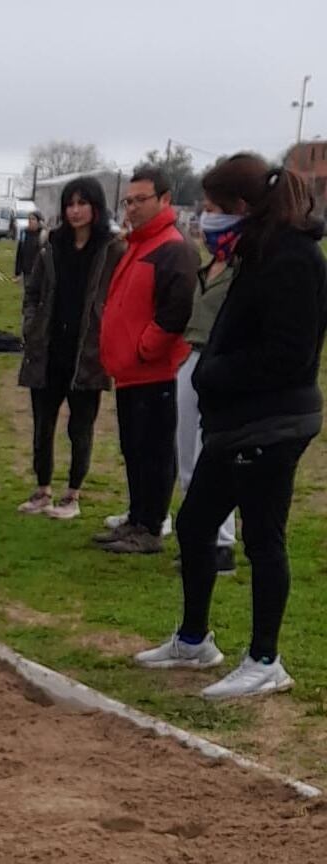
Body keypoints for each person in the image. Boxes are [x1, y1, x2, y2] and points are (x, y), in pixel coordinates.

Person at [134, 155, 327, 700]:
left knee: (264, 538)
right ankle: (194, 640)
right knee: (195, 525)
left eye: (214, 208)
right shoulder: (255, 250)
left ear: (243, 207)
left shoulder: (294, 260)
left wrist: (214, 373)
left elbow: (287, 354)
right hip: (238, 420)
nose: (206, 218)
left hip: (274, 420)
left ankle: (266, 659)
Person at [94, 167, 198, 555]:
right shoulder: (137, 244)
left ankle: (151, 525)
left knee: (154, 451)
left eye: (141, 200)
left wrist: (144, 348)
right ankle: (137, 517)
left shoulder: (173, 247)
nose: (133, 208)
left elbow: (177, 309)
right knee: (134, 448)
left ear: (165, 200)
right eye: (129, 200)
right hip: (130, 372)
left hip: (155, 372)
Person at [17, 179, 124, 521]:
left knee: (81, 426)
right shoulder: (52, 246)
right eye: (69, 204)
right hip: (48, 350)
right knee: (42, 424)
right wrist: (31, 326)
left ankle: (72, 493)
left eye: (82, 203)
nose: (75, 211)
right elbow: (32, 292)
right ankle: (42, 488)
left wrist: (107, 332)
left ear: (96, 206)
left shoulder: (112, 249)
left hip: (88, 353)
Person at [171, 198, 242, 574]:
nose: (206, 216)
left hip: (221, 363)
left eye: (215, 208)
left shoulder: (241, 269)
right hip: (192, 356)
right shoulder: (207, 266)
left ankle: (221, 543)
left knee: (211, 455)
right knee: (185, 453)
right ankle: (195, 535)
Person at [13, 210, 45, 289]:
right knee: (28, 294)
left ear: (39, 221)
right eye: (29, 219)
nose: (30, 221)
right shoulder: (24, 233)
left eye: (33, 219)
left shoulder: (43, 234)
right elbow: (20, 253)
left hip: (40, 272)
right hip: (27, 271)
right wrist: (18, 272)